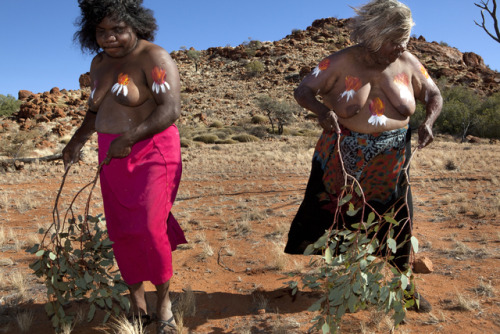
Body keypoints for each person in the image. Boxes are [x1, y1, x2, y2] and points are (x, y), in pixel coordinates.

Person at [284, 0, 442, 312]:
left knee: (399, 221)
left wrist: (428, 122)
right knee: (341, 221)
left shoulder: (409, 62)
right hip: (343, 159)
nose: (400, 48)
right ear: (374, 35)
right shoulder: (339, 62)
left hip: (394, 161)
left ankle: (404, 286)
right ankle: (346, 282)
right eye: (395, 42)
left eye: (404, 42)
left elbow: (434, 95)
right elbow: (303, 91)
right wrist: (320, 112)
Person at [62, 1, 186, 332]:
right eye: (101, 31)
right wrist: (76, 141)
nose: (109, 38)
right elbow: (94, 112)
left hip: (152, 149)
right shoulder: (99, 63)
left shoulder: (153, 58)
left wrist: (130, 137)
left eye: (117, 30)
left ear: (135, 26)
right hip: (111, 154)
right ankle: (137, 305)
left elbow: (169, 109)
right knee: (122, 231)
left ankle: (164, 307)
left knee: (148, 227)